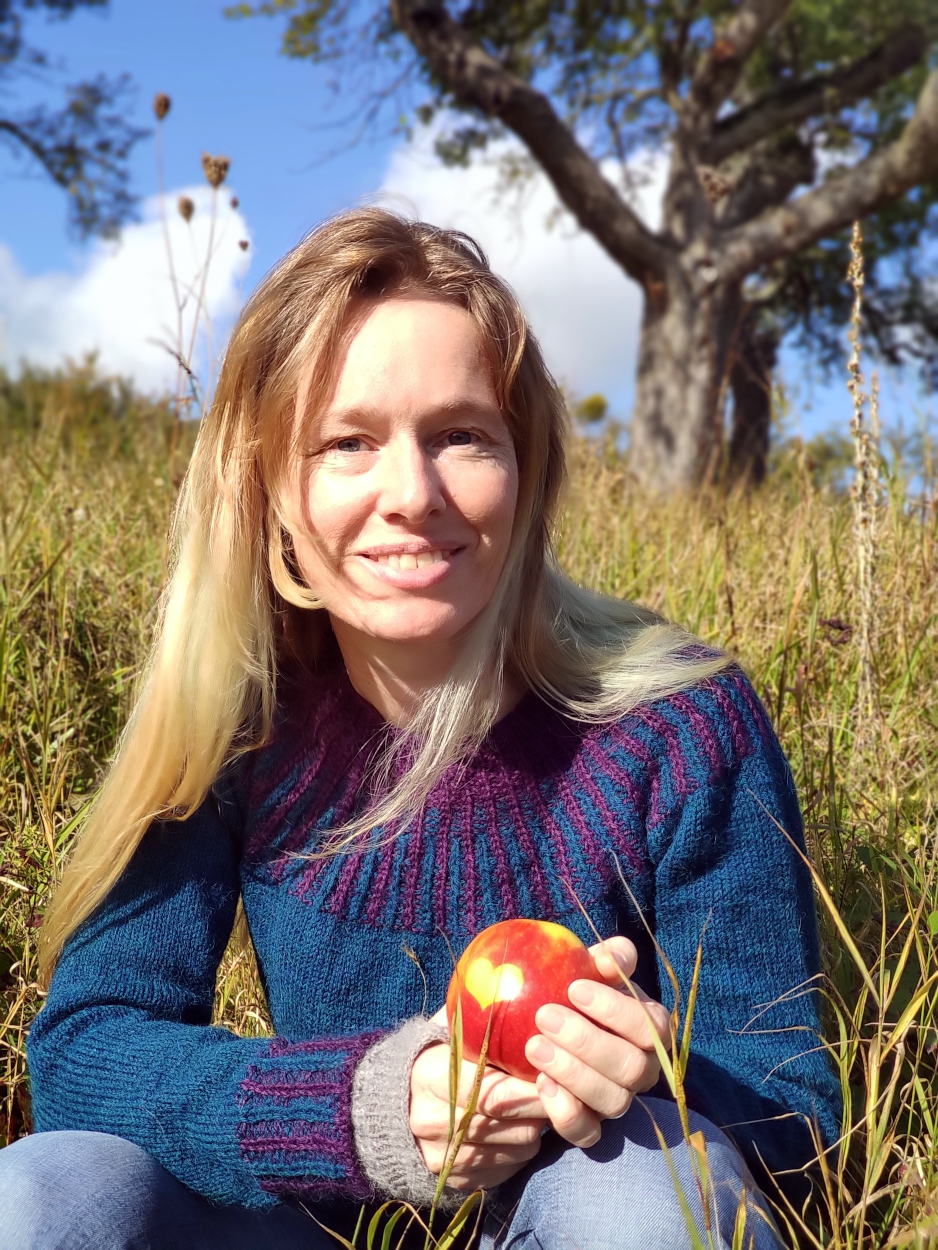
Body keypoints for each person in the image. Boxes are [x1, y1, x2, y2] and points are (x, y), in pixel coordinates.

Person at [0, 209, 839, 1250]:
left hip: (582, 1214)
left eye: (460, 435)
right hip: (312, 1224)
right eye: (347, 443)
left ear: (523, 470)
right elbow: (85, 1052)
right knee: (38, 1193)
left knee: (640, 1192)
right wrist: (356, 1110)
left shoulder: (677, 723)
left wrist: (659, 1075)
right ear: (270, 491)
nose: (411, 494)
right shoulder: (234, 722)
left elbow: (796, 1115)